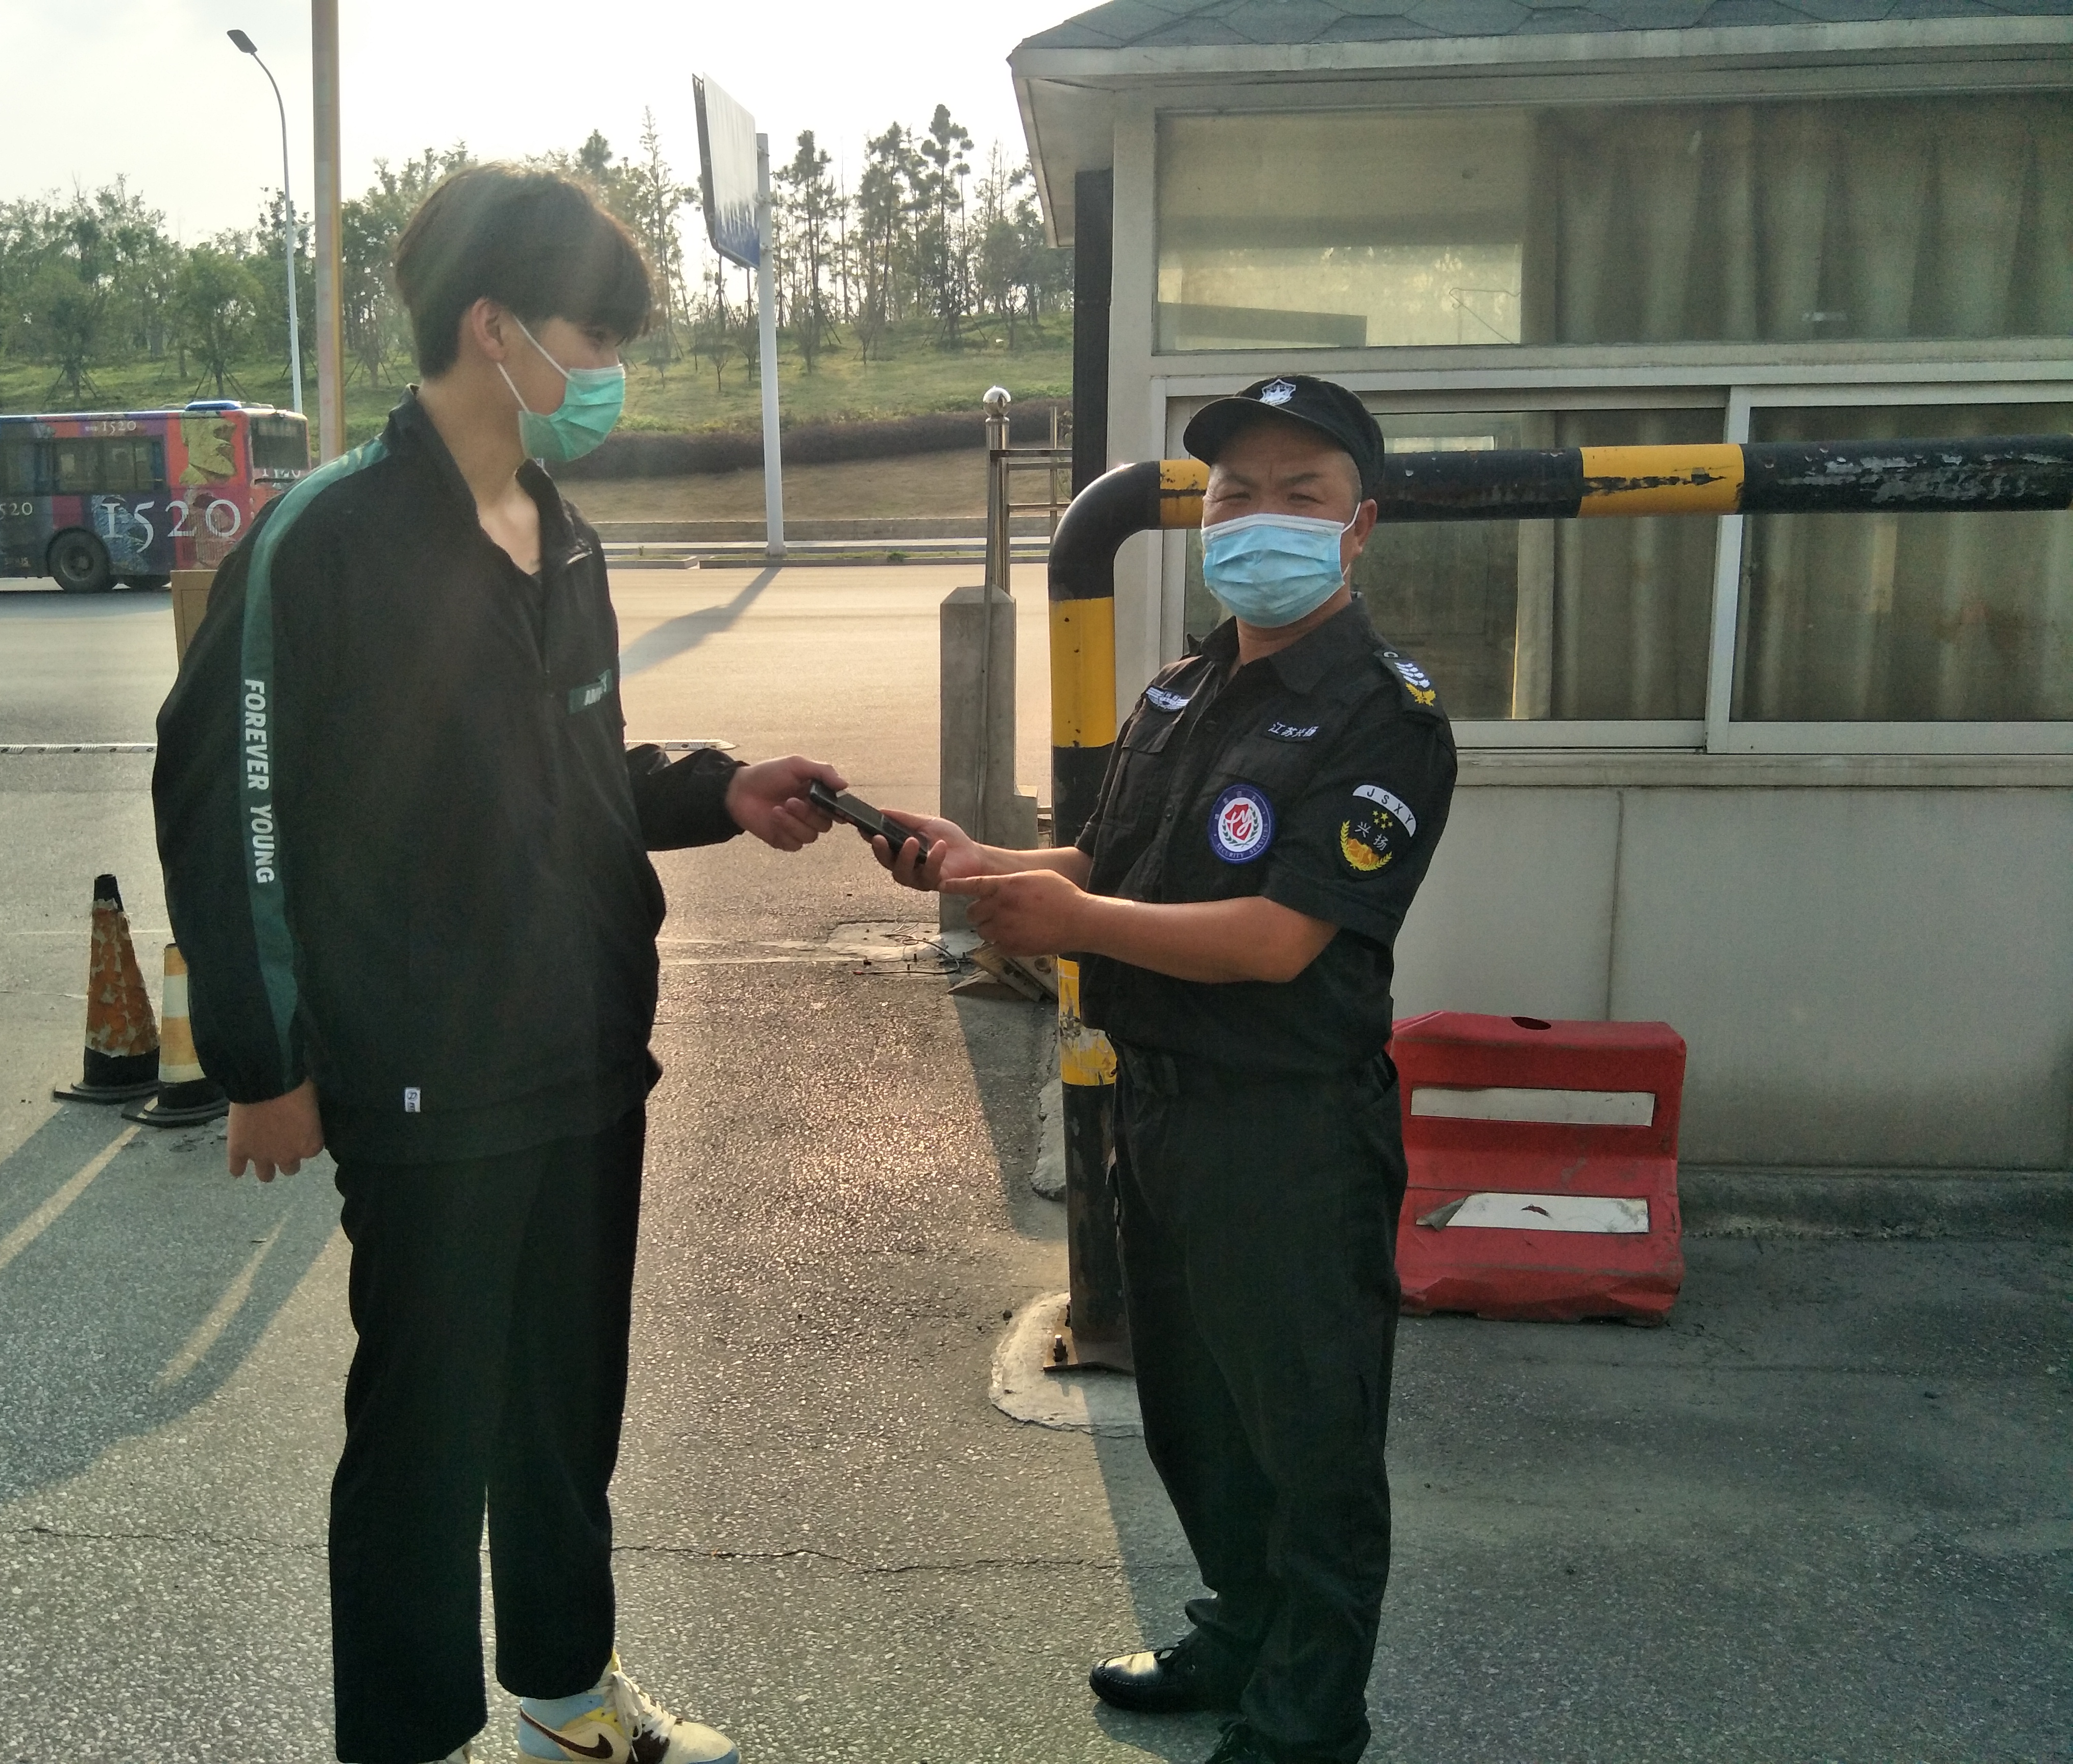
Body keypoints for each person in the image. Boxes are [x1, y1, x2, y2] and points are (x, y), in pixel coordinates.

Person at [153, 166, 845, 1764]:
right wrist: (263, 1063)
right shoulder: (324, 540)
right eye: (595, 338)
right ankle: (406, 1740)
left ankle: (565, 1696)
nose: (611, 374)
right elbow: (225, 808)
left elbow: (573, 773)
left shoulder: (560, 534)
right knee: (426, 1438)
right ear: (493, 326)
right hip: (425, 1075)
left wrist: (717, 790)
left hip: (585, 1057)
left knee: (563, 1411)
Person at [870, 374, 1456, 1764]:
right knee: (1196, 1419)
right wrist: (982, 862)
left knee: (1307, 1439)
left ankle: (1309, 1715)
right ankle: (1239, 1636)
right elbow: (1107, 863)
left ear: (1359, 525)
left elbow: (1277, 938)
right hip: (1163, 1116)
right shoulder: (1183, 689)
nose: (1262, 516)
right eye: (1236, 492)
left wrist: (1071, 921)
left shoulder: (1384, 714)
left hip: (1290, 1135)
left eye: (1302, 492)